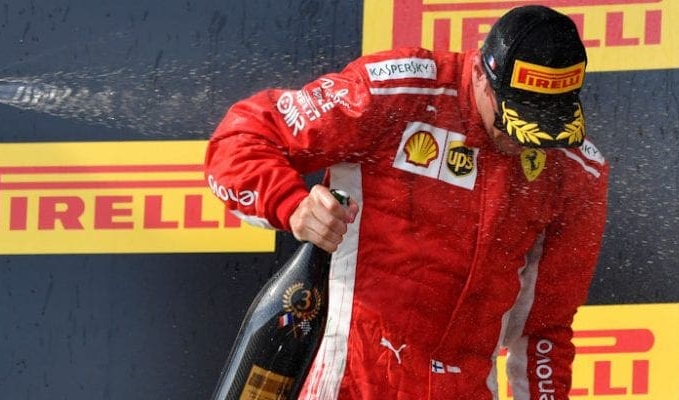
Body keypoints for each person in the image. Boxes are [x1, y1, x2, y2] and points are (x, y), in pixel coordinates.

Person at [205, 5, 608, 400]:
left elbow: (544, 329)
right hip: (349, 381)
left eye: (546, 127)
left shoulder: (575, 169)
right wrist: (291, 206)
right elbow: (241, 139)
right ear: (480, 74)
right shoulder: (397, 94)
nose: (525, 142)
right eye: (515, 121)